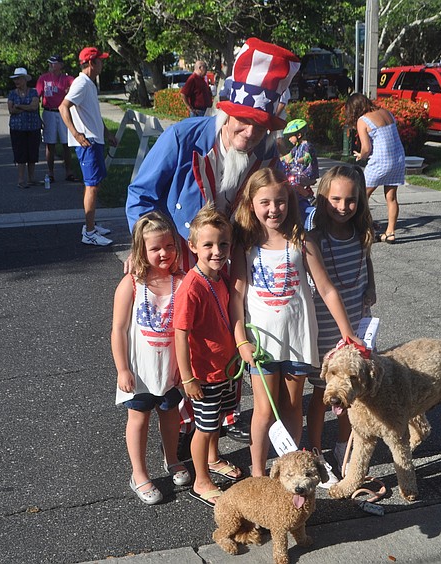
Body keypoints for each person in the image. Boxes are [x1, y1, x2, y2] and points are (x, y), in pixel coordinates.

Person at [126, 38, 301, 446]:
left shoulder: (266, 153)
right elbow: (141, 196)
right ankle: (184, 444)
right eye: (242, 120)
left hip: (228, 268)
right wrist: (145, 255)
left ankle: (213, 430)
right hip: (176, 267)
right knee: (180, 355)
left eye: (260, 125)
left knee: (226, 347)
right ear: (225, 110)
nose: (250, 131)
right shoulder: (184, 137)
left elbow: (279, 206)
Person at [230, 167, 361, 477]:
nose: (274, 209)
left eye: (280, 202)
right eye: (265, 203)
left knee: (291, 407)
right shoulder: (245, 245)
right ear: (252, 204)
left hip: (299, 339)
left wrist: (347, 333)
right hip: (262, 343)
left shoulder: (301, 240)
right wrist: (241, 342)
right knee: (263, 411)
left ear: (289, 202)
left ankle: (289, 471)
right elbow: (236, 298)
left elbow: (326, 289)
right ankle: (259, 475)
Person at [304, 165, 376, 486]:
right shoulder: (315, 238)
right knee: (323, 392)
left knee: (352, 392)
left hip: (356, 321)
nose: (343, 207)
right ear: (322, 198)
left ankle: (342, 446)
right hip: (327, 327)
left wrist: (371, 287)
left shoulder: (361, 233)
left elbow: (365, 261)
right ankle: (315, 450)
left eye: (350, 200)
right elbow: (323, 287)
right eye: (335, 199)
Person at [112, 212, 190, 505]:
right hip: (139, 370)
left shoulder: (181, 282)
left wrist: (186, 366)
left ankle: (171, 459)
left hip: (169, 368)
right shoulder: (132, 284)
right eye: (155, 248)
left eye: (169, 246)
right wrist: (122, 368)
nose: (164, 253)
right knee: (139, 419)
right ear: (140, 251)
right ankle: (139, 473)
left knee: (171, 416)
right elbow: (118, 330)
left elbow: (188, 330)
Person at [173, 204, 244, 506]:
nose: (217, 251)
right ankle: (201, 481)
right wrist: (188, 377)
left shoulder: (220, 276)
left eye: (223, 244)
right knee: (204, 428)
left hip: (225, 368)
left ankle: (213, 459)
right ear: (192, 246)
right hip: (203, 373)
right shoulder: (191, 286)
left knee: (217, 422)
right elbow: (180, 334)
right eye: (208, 245)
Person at [60, 47, 118, 246]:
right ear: (91, 63)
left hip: (95, 140)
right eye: (100, 61)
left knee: (95, 184)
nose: (102, 64)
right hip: (88, 143)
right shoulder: (81, 83)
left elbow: (93, 114)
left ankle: (91, 224)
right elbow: (63, 106)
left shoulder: (89, 84)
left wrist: (107, 133)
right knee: (91, 186)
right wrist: (76, 133)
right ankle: (89, 232)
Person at [344, 92, 405, 244]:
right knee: (391, 197)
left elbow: (366, 148)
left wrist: (360, 156)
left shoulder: (362, 120)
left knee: (361, 196)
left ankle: (363, 229)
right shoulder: (387, 113)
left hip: (380, 162)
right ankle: (390, 233)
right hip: (398, 159)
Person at [35, 55, 76, 186]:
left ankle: (69, 171)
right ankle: (50, 172)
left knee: (66, 143)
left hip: (63, 112)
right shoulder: (43, 79)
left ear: (60, 65)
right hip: (49, 111)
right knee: (50, 143)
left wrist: (70, 90)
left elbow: (77, 86)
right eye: (50, 63)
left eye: (54, 63)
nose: (52, 65)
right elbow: (37, 96)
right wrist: (37, 116)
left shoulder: (67, 79)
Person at [6, 67, 42, 189]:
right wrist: (24, 107)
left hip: (33, 127)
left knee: (32, 153)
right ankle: (21, 179)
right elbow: (11, 110)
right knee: (20, 153)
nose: (17, 82)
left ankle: (32, 178)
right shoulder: (11, 94)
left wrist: (20, 106)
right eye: (15, 79)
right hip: (17, 128)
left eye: (19, 79)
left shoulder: (33, 92)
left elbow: (34, 106)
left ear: (25, 79)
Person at [279, 118, 318, 218]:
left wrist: (296, 161)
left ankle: (310, 198)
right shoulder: (296, 147)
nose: (289, 139)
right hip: (299, 173)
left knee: (293, 183)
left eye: (290, 136)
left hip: (307, 174)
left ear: (299, 135)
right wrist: (278, 159)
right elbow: (288, 156)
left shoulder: (306, 146)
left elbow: (307, 157)